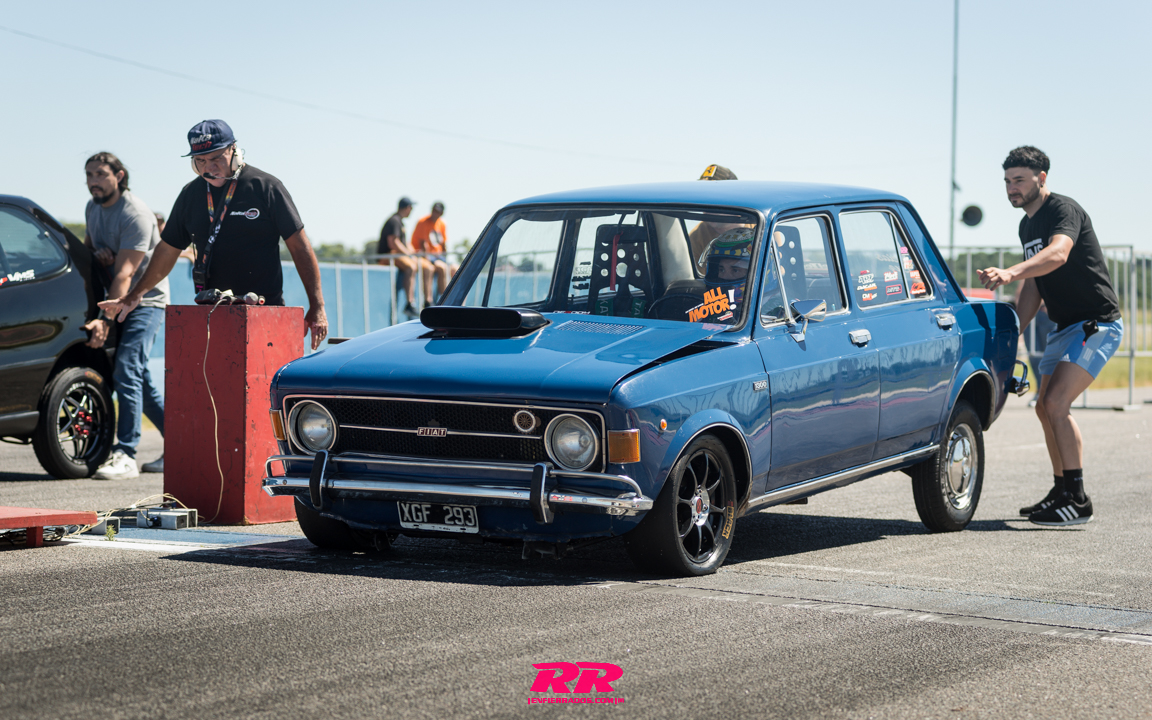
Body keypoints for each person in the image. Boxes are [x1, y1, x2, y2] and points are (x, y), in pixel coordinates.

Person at [977, 146, 1123, 527]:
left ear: (1041, 178)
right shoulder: (1026, 226)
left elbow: (1058, 254)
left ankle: (1077, 500)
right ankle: (1061, 491)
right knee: (1044, 407)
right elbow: (1035, 285)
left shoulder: (1063, 210)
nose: (1012, 188)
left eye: (1019, 180)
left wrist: (1011, 272)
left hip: (1096, 324)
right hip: (1064, 326)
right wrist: (1013, 334)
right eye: (1007, 182)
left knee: (1057, 403)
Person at [98, 120, 328, 352]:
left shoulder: (266, 187)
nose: (210, 167)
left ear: (234, 150)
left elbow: (300, 247)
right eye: (201, 161)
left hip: (265, 312)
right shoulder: (190, 194)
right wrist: (134, 295)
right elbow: (167, 250)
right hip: (212, 314)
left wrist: (317, 306)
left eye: (217, 158)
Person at [81, 152, 167, 478]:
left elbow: (125, 273)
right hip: (116, 298)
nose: (93, 181)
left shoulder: (136, 214)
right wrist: (97, 253)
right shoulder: (92, 208)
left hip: (145, 301)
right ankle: (182, 443)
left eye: (100, 174)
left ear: (119, 176)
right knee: (138, 378)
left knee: (127, 369)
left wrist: (105, 320)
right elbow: (88, 251)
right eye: (89, 175)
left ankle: (126, 454)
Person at [688, 164, 745, 265]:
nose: (707, 203)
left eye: (715, 195)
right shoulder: (696, 238)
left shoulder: (762, 226)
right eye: (704, 195)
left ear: (733, 197)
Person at [377, 197, 423, 316]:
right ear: (407, 208)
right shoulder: (394, 221)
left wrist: (413, 253)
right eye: (411, 208)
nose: (411, 211)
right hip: (387, 256)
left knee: (419, 264)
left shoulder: (400, 222)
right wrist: (408, 254)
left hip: (394, 255)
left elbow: (404, 243)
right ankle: (409, 303)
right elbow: (393, 243)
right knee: (411, 267)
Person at [410, 201, 455, 302]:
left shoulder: (442, 223)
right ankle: (445, 301)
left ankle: (457, 300)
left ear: (441, 213)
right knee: (442, 268)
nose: (435, 213)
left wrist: (445, 258)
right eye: (434, 211)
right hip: (427, 256)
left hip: (439, 257)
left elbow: (443, 244)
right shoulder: (422, 222)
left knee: (456, 269)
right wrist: (429, 259)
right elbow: (423, 245)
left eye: (437, 212)